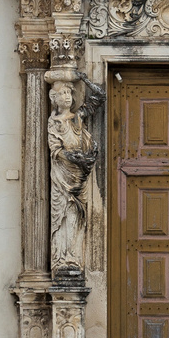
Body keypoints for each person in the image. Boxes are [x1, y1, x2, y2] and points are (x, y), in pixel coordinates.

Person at [46, 68, 105, 276]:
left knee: (77, 214)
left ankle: (72, 257)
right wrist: (74, 157)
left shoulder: (78, 117)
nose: (68, 97)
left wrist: (85, 78)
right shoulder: (54, 122)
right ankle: (64, 259)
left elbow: (100, 96)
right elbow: (56, 150)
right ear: (54, 98)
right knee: (64, 213)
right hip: (63, 175)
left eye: (70, 93)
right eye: (63, 94)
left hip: (79, 174)